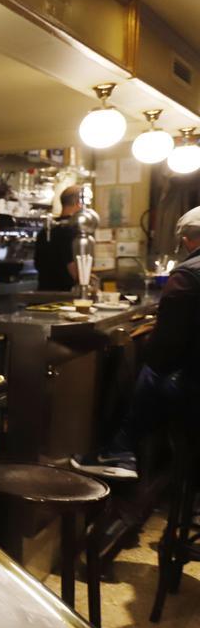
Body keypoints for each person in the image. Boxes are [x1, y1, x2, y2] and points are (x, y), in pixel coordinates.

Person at [72, 205, 200, 479]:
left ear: (188, 240)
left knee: (145, 372)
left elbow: (166, 347)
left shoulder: (187, 275)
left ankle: (120, 450)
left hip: (192, 387)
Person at [34, 185, 83, 291]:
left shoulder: (45, 231)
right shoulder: (73, 230)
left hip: (43, 292)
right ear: (78, 203)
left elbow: (37, 264)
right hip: (65, 295)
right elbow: (72, 267)